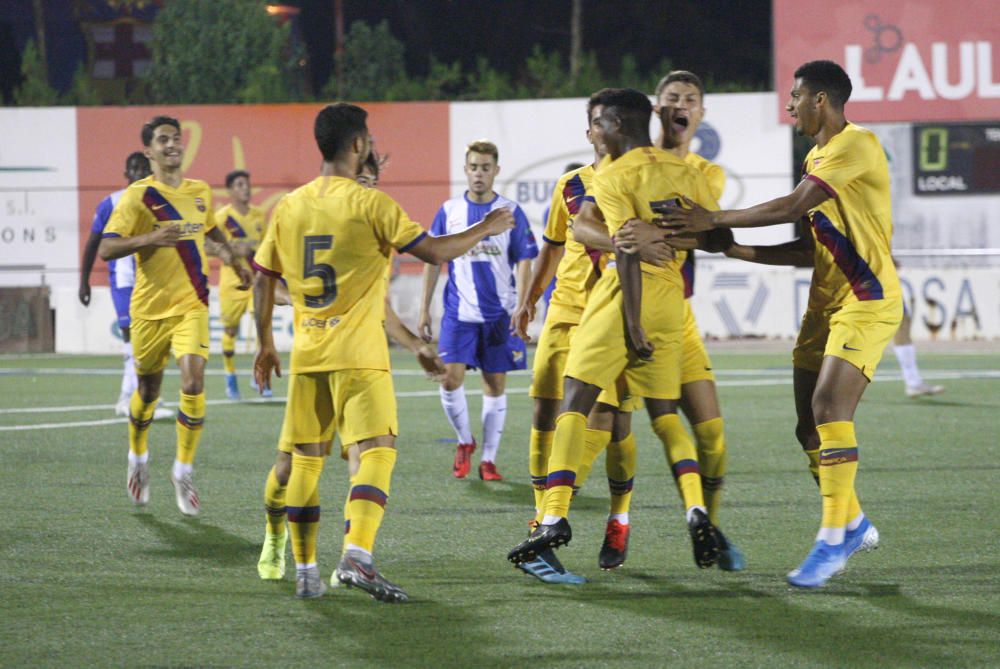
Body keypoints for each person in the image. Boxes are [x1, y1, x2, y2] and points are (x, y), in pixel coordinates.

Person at [252, 102, 515, 600]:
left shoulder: (289, 205)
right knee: (375, 453)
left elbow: (263, 277)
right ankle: (353, 555)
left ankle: (307, 571)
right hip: (359, 357)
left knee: (306, 464)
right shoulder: (373, 205)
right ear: (356, 145)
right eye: (367, 139)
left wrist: (266, 342)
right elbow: (435, 252)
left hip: (309, 355)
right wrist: (487, 226)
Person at [662, 60, 899, 588]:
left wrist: (715, 218)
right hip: (825, 306)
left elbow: (794, 206)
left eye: (795, 96)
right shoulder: (818, 157)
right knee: (807, 428)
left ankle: (832, 539)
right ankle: (855, 521)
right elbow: (809, 249)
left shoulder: (856, 144)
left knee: (829, 407)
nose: (788, 105)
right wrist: (734, 248)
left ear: (820, 100)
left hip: (868, 299)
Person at [507, 88, 722, 571]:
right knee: (547, 412)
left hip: (610, 309)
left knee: (609, 422)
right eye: (591, 123)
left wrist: (637, 245)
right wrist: (528, 302)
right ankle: (541, 518)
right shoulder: (572, 184)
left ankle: (609, 518)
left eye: (601, 121)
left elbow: (625, 240)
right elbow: (558, 242)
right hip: (565, 312)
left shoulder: (626, 176)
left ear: (612, 127)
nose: (595, 130)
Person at [254, 146, 446, 585]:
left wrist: (414, 345)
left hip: (357, 358)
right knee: (288, 468)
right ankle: (274, 536)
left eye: (369, 183)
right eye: (359, 179)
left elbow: (377, 307)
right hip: (318, 355)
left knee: (363, 460)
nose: (362, 189)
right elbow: (275, 284)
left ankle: (350, 559)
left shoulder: (366, 230)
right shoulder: (314, 215)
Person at [99, 115, 252, 517]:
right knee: (148, 391)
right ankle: (137, 457)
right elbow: (107, 249)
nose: (172, 145)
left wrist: (234, 260)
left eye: (175, 138)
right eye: (163, 140)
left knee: (193, 379)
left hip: (192, 305)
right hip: (150, 310)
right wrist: (151, 237)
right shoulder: (138, 197)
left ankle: (183, 469)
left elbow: (211, 231)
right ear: (148, 150)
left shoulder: (200, 192)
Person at [653, 70, 746, 570]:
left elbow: (706, 235)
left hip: (679, 316)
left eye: (690, 99)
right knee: (612, 432)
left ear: (701, 113)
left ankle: (706, 526)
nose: (681, 105)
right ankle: (605, 527)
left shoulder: (708, 175)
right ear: (656, 107)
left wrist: (666, 233)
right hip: (628, 313)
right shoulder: (633, 164)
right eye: (672, 98)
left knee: (711, 433)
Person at [419, 140, 538, 481]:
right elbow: (432, 257)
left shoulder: (510, 213)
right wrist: (425, 310)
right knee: (449, 379)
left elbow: (526, 261)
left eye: (486, 167)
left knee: (494, 385)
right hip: (459, 314)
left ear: (496, 171)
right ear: (465, 170)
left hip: (499, 315)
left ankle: (488, 460)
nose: (479, 174)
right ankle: (464, 440)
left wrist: (523, 305)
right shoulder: (449, 210)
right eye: (473, 167)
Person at [79, 152, 171, 421]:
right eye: (134, 168)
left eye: (143, 167)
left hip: (153, 280)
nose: (139, 171)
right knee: (132, 336)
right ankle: (136, 396)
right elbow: (93, 243)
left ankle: (136, 395)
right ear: (125, 173)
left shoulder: (160, 201)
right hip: (124, 280)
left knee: (149, 340)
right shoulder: (111, 203)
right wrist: (84, 281)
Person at [208, 170, 267, 400]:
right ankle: (230, 375)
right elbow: (208, 246)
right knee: (230, 331)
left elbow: (266, 248)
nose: (246, 188)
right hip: (231, 283)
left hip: (255, 281)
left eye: (247, 184)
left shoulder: (259, 216)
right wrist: (230, 251)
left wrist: (252, 253)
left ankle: (258, 375)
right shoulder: (222, 218)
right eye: (240, 185)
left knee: (262, 324)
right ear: (231, 190)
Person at [891, 258, 944, 398]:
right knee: (900, 330)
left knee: (901, 328)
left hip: (876, 283)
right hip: (874, 284)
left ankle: (913, 382)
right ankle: (913, 382)